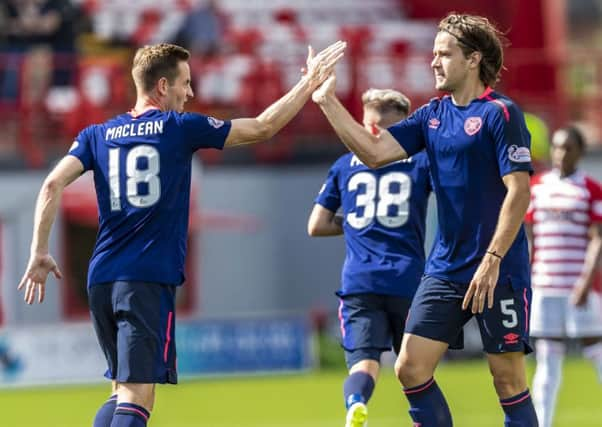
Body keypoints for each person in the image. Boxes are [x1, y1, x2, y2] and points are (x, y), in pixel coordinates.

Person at [17, 40, 345, 427]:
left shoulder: (96, 135)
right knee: (139, 396)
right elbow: (263, 127)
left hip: (102, 278)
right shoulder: (179, 128)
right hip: (146, 279)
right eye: (185, 83)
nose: (190, 93)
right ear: (161, 87)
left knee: (121, 390)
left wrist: (39, 250)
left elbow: (52, 184)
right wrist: (308, 84)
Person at [312, 13, 538, 427]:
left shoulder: (501, 114)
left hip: (499, 269)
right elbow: (374, 153)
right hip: (446, 269)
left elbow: (519, 191)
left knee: (507, 379)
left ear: (472, 59)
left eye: (443, 54)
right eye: (433, 53)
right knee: (410, 368)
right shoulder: (431, 116)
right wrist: (326, 99)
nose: (433, 62)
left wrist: (491, 260)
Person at [307, 88, 431, 427]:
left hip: (360, 281)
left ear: (366, 123)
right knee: (416, 370)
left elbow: (316, 225)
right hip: (407, 280)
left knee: (364, 364)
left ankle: (356, 402)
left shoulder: (345, 164)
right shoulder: (420, 161)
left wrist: (360, 222)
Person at [525, 125, 602, 427]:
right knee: (547, 358)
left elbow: (597, 238)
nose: (560, 153)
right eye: (557, 147)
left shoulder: (590, 189)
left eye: (567, 148)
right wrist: (527, 276)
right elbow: (530, 237)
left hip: (579, 287)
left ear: (580, 152)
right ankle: (543, 422)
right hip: (545, 286)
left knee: (596, 350)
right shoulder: (538, 187)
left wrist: (586, 281)